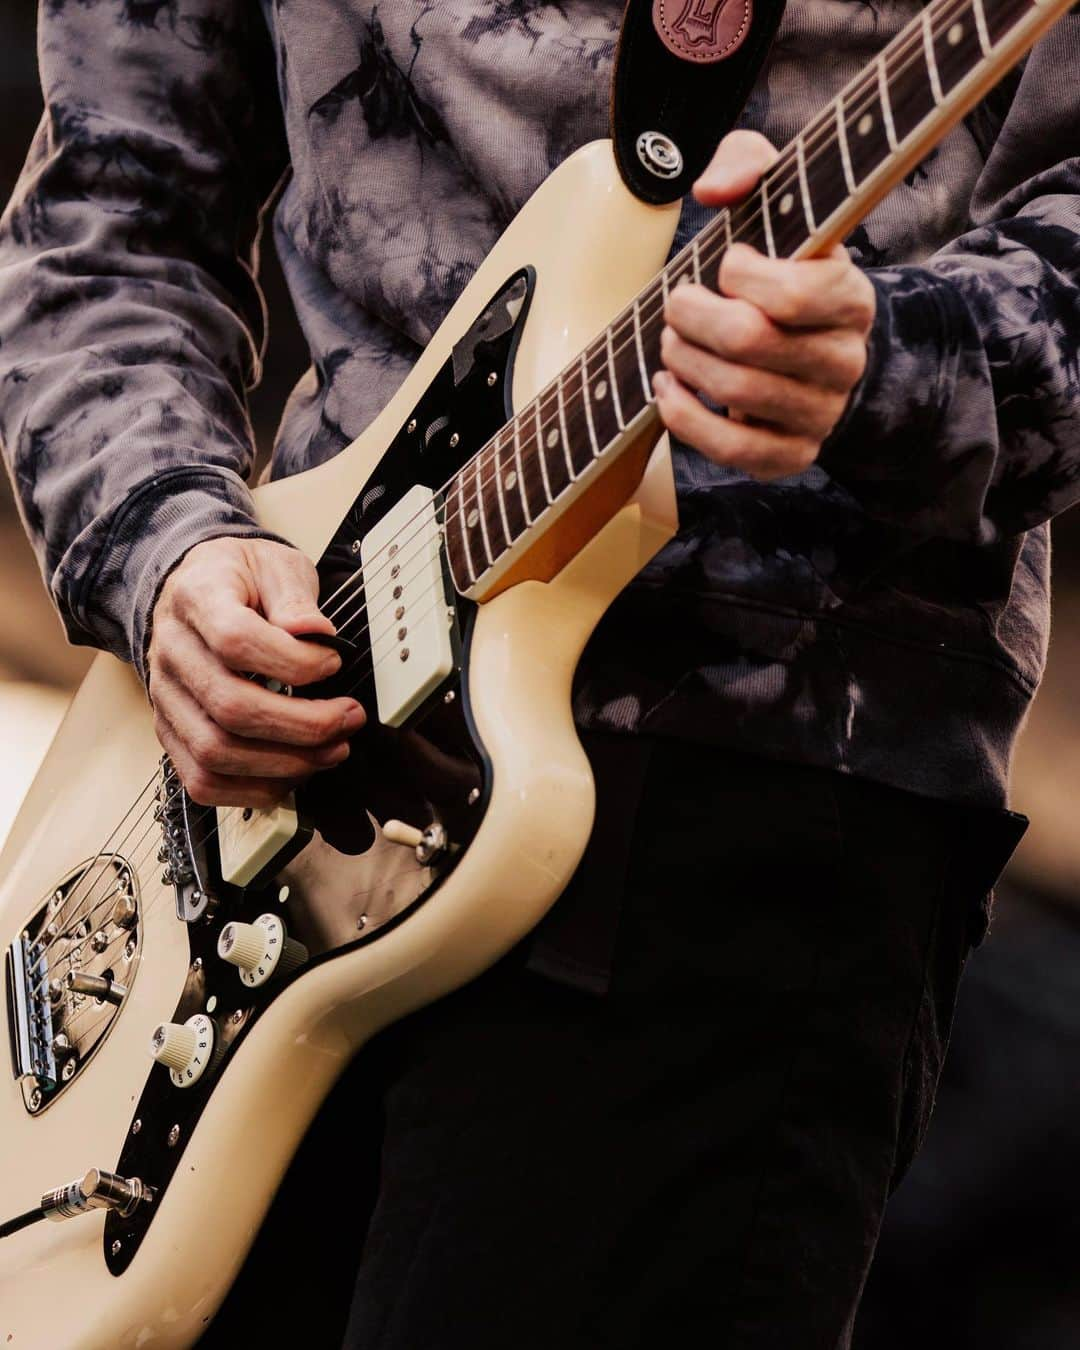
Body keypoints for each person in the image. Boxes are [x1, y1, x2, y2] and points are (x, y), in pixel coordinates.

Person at [0, 2, 1077, 1345]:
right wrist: (166, 549)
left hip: (747, 775)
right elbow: (111, 210)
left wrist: (896, 359)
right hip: (276, 757)